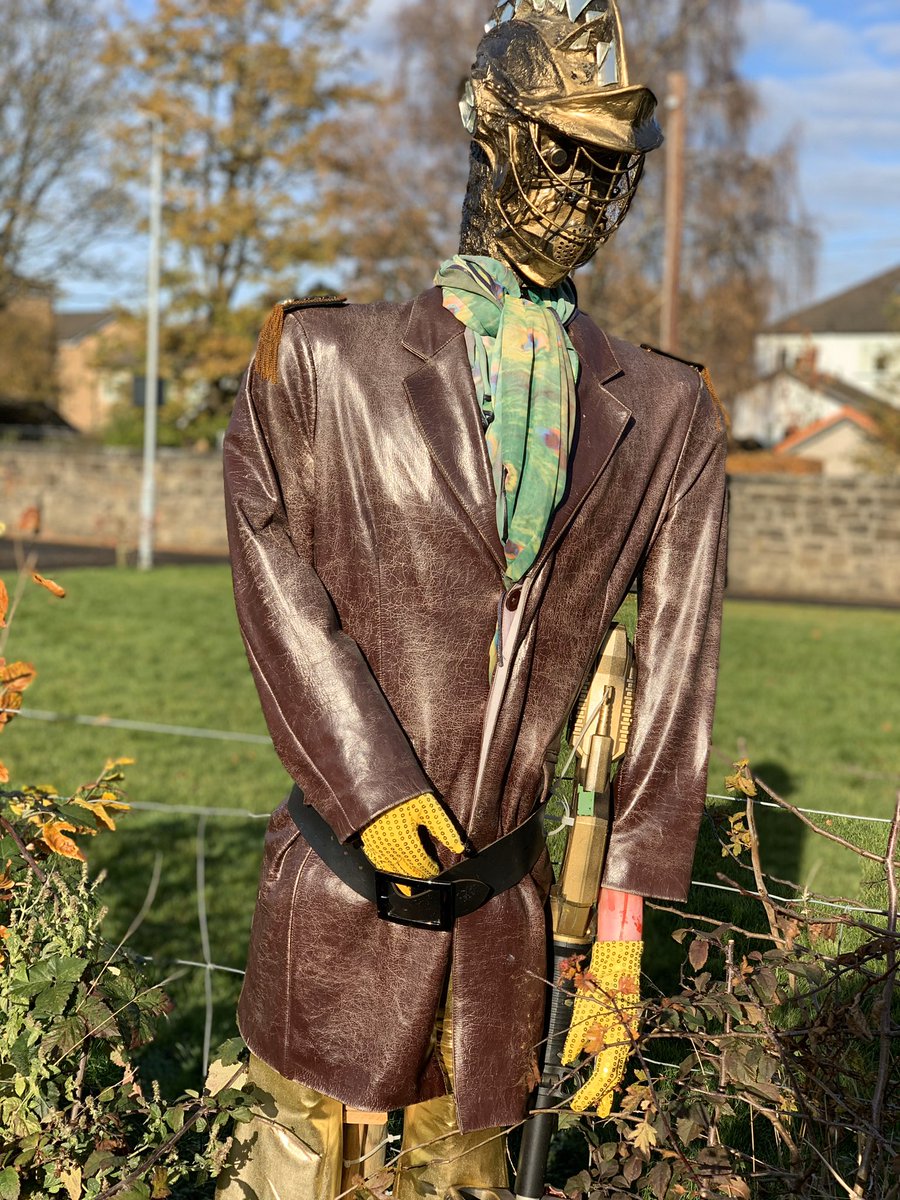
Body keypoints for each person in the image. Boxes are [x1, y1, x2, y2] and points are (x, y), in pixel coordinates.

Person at [216, 1, 728, 1196]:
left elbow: (675, 668)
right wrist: (370, 786)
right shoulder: (317, 366)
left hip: (506, 939)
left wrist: (621, 930)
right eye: (563, 147)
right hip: (335, 917)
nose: (590, 186)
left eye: (613, 163)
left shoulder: (667, 414)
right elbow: (272, 571)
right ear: (490, 134)